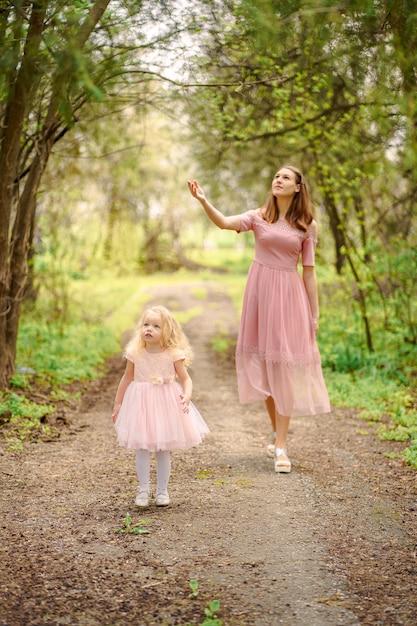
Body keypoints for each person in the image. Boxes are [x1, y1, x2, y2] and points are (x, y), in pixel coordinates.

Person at [187, 165, 330, 474]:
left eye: (286, 178)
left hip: (290, 298)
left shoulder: (308, 226)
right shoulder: (258, 216)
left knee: (285, 367)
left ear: (297, 187)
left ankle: (281, 446)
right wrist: (203, 200)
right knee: (265, 368)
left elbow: (309, 271)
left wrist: (314, 313)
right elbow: (224, 223)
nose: (278, 180)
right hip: (259, 295)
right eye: (276, 176)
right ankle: (277, 433)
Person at [112, 305, 209, 507]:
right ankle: (143, 490)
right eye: (146, 324)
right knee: (141, 447)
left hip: (165, 403)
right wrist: (118, 403)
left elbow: (186, 379)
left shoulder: (173, 353)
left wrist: (187, 395)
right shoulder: (135, 353)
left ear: (167, 331)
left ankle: (162, 491)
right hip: (141, 404)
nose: (149, 329)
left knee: (163, 449)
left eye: (156, 326)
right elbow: (126, 378)